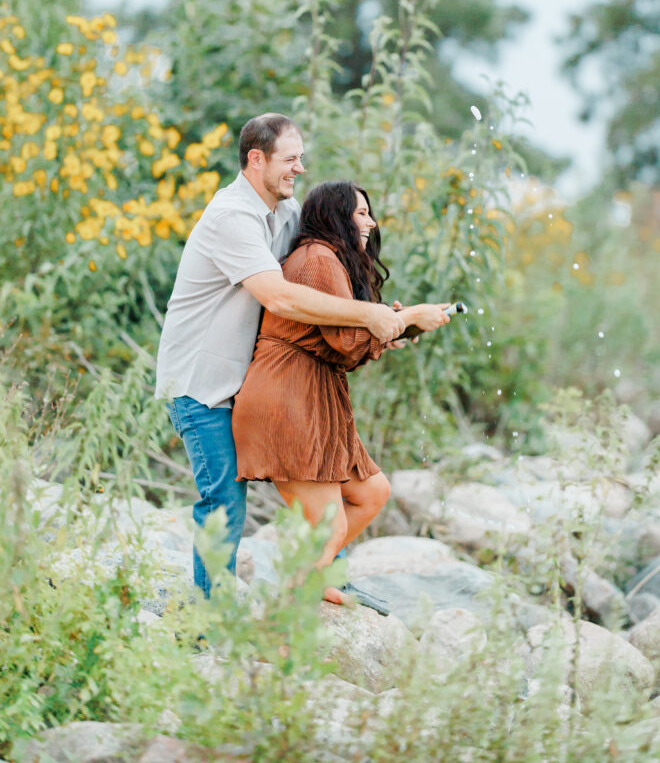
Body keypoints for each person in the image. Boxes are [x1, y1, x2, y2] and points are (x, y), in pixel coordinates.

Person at [155, 113, 449, 596]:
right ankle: (212, 624)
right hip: (200, 380)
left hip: (250, 378)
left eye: (302, 159)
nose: (299, 169)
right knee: (224, 500)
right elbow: (281, 297)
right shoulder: (232, 216)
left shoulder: (287, 213)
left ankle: (323, 579)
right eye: (290, 159)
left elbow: (320, 271)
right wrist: (366, 315)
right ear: (256, 159)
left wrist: (381, 321)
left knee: (329, 492)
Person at [232, 180, 451, 610]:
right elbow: (348, 341)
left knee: (372, 492)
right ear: (336, 215)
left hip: (309, 396)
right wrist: (405, 318)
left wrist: (394, 328)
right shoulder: (318, 259)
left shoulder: (325, 258)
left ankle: (307, 579)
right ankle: (286, 620)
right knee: (330, 527)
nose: (370, 222)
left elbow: (347, 339)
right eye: (361, 213)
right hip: (287, 398)